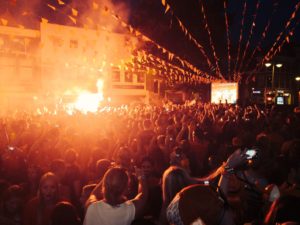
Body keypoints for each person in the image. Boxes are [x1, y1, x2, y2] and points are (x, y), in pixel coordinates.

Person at [83, 167, 148, 225]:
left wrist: (107, 176)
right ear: (125, 188)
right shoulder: (130, 209)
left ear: (104, 184)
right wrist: (141, 176)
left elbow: (94, 194)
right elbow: (143, 194)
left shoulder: (91, 207)